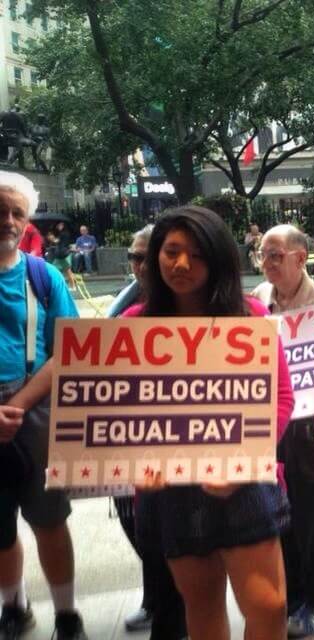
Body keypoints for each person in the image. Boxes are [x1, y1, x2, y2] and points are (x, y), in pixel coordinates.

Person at [124, 206, 294, 639]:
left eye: (197, 254)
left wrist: (242, 462)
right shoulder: (131, 327)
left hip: (246, 483)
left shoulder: (250, 316)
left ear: (218, 258)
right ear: (154, 255)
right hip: (169, 491)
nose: (181, 264)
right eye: (171, 251)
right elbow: (118, 413)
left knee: (269, 607)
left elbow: (281, 398)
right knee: (201, 611)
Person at [0, 171, 87, 639]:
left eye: (17, 212)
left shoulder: (43, 276)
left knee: (49, 520)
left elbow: (67, 350)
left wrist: (17, 405)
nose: (9, 221)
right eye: (1, 211)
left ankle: (67, 614)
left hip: (34, 408)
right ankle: (13, 606)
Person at [250, 225, 314, 637]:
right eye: (263, 255)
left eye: (276, 255)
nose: (268, 263)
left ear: (299, 256)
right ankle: (296, 599)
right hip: (273, 422)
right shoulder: (258, 299)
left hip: (312, 427)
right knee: (282, 514)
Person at [106, 224, 188, 639]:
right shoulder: (125, 308)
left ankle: (169, 602)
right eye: (134, 258)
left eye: (146, 256)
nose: (140, 266)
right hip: (136, 452)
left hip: (186, 456)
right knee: (143, 530)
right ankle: (154, 598)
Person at [47, 221, 74, 289]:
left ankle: (72, 286)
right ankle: (67, 286)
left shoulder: (63, 233)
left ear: (62, 225)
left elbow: (57, 241)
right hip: (61, 255)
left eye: (59, 225)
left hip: (62, 255)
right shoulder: (65, 233)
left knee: (67, 271)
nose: (58, 227)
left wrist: (52, 239)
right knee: (58, 270)